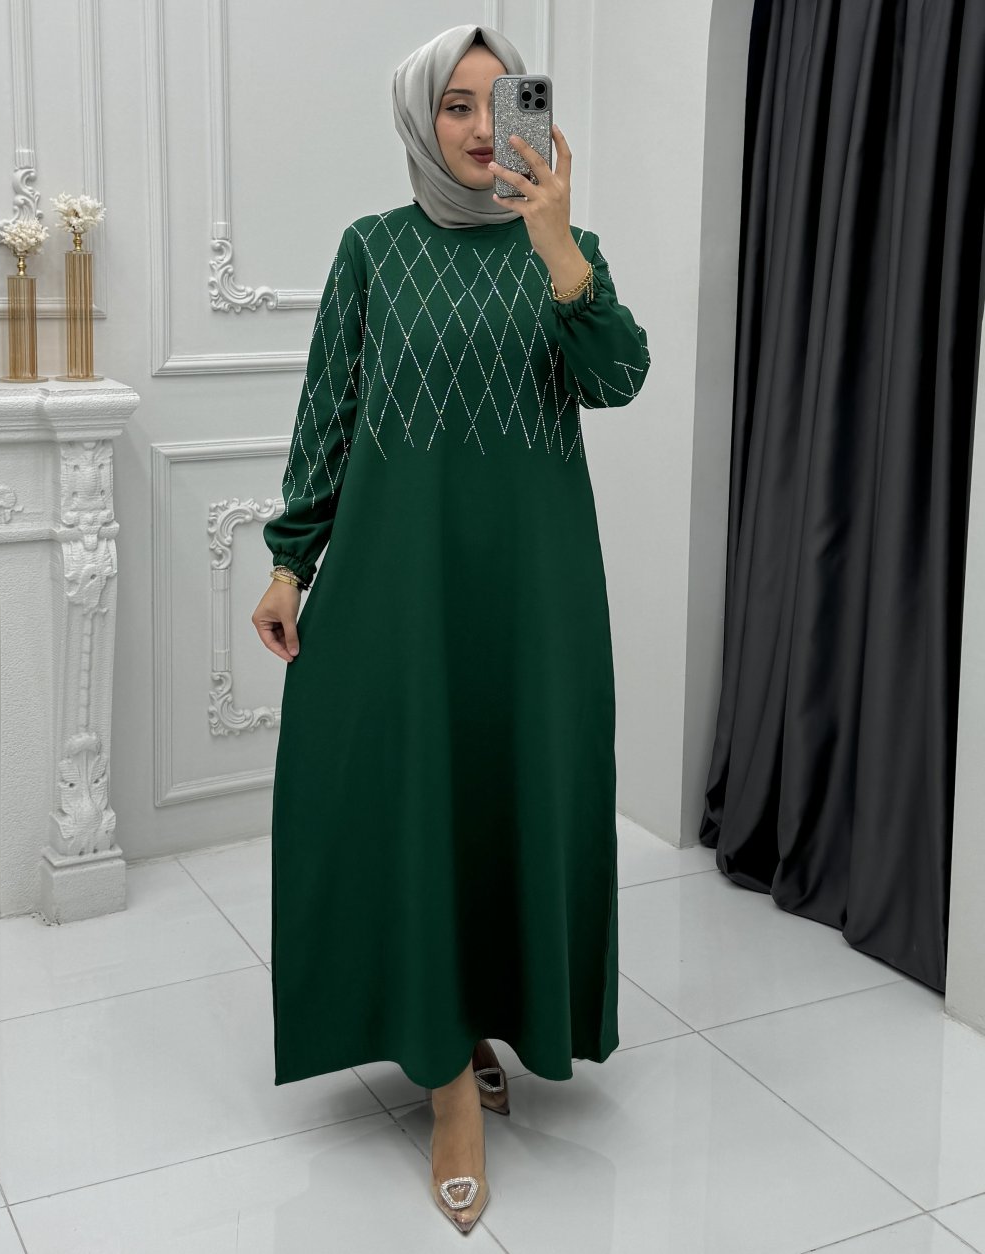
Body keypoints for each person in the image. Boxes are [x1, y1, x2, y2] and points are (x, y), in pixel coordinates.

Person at [251, 23, 650, 1234]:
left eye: (501, 102)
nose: (482, 129)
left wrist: (557, 244)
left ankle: (478, 1022)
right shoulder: (373, 249)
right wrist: (288, 560)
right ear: (421, 119)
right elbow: (329, 409)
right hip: (397, 585)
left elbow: (618, 378)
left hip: (532, 592)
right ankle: (446, 1088)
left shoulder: (564, 248)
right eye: (456, 106)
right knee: (410, 799)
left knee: (508, 792)